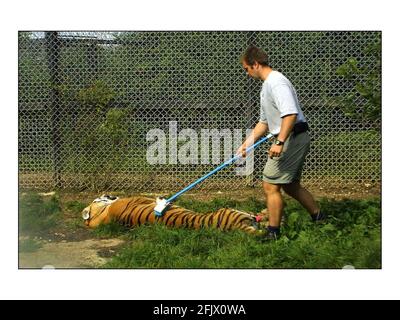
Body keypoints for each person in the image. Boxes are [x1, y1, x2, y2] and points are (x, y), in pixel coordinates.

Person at [237, 45, 326, 241]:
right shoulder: (266, 85)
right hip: (290, 137)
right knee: (291, 185)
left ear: (256, 64)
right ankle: (320, 219)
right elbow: (264, 122)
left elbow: (290, 113)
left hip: (292, 137)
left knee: (270, 185)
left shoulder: (277, 82)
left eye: (246, 68)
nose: (246, 72)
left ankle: (273, 233)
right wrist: (246, 144)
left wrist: (279, 142)